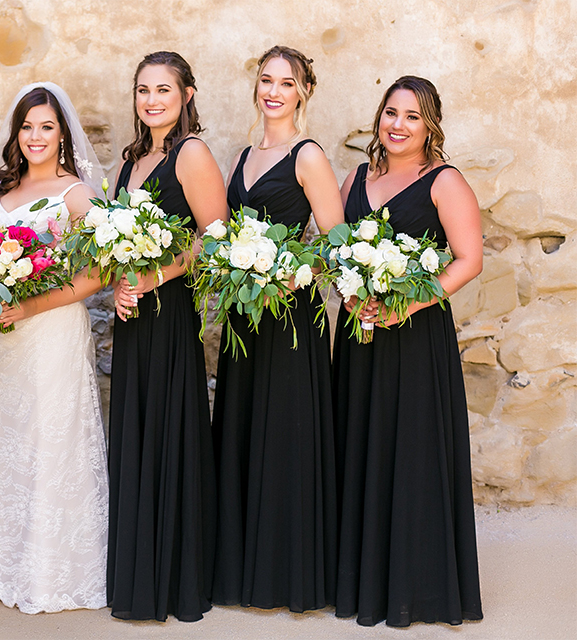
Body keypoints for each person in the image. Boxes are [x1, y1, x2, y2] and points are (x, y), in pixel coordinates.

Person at [333, 76, 484, 627]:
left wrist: (407, 306)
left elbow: (468, 260)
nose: (397, 125)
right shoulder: (354, 177)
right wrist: (350, 294)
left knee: (413, 451)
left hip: (416, 337)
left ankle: (415, 587)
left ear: (430, 126)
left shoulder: (444, 182)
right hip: (358, 336)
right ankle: (360, 581)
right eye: (390, 113)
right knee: (360, 442)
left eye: (412, 117)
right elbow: (333, 250)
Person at [0, 82, 109, 614]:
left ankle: (55, 572)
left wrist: (30, 306)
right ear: (16, 133)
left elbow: (98, 273)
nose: (36, 136)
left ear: (63, 133)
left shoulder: (77, 194)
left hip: (51, 333)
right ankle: (4, 565)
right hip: (7, 342)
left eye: (47, 126)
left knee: (54, 439)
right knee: (10, 436)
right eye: (27, 127)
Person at [210, 45, 343, 613]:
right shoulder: (244, 156)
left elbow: (340, 244)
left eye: (285, 83)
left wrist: (295, 271)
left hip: (290, 314)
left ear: (302, 93)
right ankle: (244, 570)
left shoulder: (307, 155)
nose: (273, 91)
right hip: (246, 314)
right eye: (266, 80)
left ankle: (291, 575)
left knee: (287, 433)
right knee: (245, 427)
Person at [109, 51, 227, 622]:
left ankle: (174, 574)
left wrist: (156, 275)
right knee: (137, 430)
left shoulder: (191, 153)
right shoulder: (130, 162)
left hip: (170, 313)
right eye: (142, 90)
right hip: (132, 319)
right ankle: (137, 569)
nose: (151, 100)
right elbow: (112, 246)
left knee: (170, 429)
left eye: (163, 89)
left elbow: (216, 235)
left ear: (186, 95)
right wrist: (118, 286)